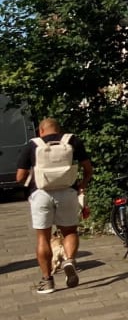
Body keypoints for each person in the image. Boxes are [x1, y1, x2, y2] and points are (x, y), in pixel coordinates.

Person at [16, 118, 93, 294]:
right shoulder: (72, 141)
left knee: (43, 237)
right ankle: (70, 261)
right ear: (59, 129)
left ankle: (47, 281)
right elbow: (88, 169)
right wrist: (82, 184)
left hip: (41, 194)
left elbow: (19, 177)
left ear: (41, 131)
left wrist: (31, 182)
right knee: (70, 232)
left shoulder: (32, 145)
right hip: (67, 192)